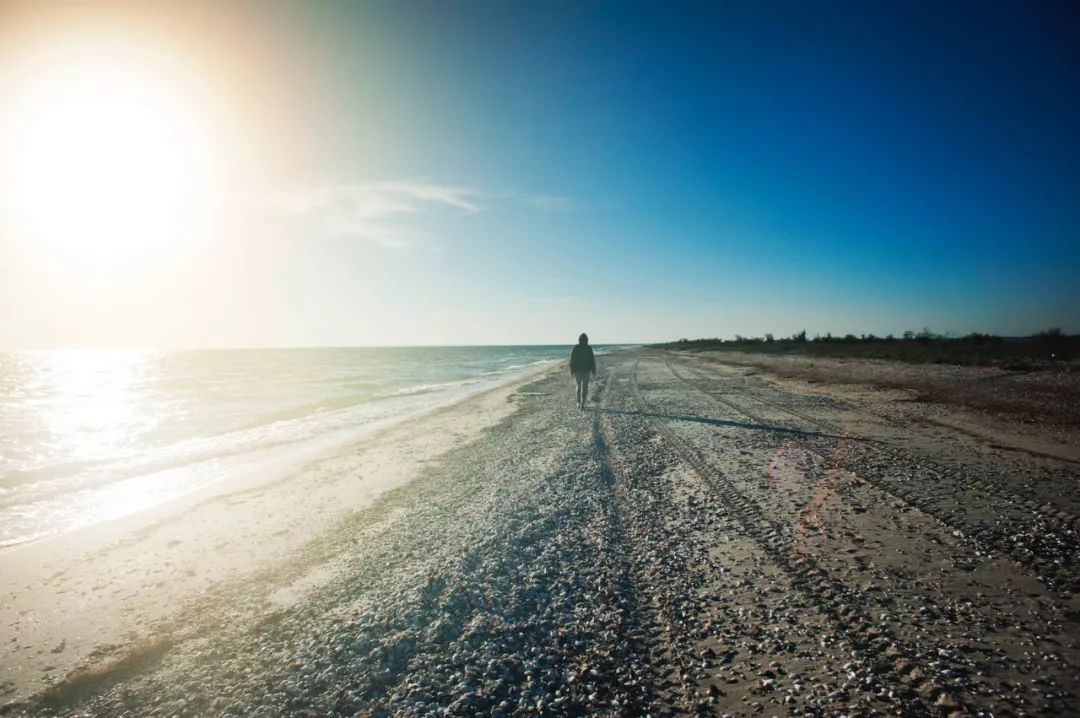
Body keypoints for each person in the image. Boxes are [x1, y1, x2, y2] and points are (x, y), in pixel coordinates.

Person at [569, 333, 597, 409]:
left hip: (577, 371)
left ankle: (578, 402)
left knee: (578, 387)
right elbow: (592, 360)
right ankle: (582, 404)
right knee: (585, 387)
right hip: (586, 370)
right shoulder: (589, 348)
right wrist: (593, 370)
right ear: (586, 340)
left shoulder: (575, 347)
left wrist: (572, 370)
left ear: (579, 340)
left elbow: (572, 360)